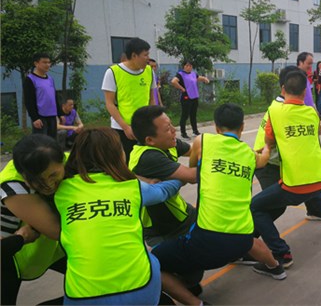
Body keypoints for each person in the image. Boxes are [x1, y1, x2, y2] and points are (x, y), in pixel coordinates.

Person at [54, 127, 202, 305]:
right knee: (153, 259)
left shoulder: (61, 189)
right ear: (117, 154)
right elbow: (163, 191)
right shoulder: (132, 187)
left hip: (82, 297)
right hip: (143, 287)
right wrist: (179, 177)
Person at [152, 103, 287, 287]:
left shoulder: (203, 141)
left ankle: (190, 293)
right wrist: (267, 145)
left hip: (206, 241)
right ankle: (276, 268)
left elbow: (193, 169)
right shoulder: (249, 154)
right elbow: (263, 160)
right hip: (243, 239)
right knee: (252, 241)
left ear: (216, 127)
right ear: (242, 127)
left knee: (154, 259)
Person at [251, 70, 321, 268]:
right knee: (310, 192)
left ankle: (281, 253)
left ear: (283, 89)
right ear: (306, 92)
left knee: (255, 207)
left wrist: (267, 148)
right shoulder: (312, 112)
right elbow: (316, 128)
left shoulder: (275, 111)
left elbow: (269, 140)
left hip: (295, 183)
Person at [0, 134, 66, 305]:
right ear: (23, 173)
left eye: (53, 175)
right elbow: (56, 230)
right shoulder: (13, 187)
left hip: (38, 247)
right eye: (36, 180)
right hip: (8, 252)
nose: (48, 185)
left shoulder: (67, 161)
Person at [129, 106, 197, 246]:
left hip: (181, 213)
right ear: (149, 140)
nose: (174, 130)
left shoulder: (167, 142)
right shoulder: (148, 157)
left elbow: (194, 150)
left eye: (171, 124)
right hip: (162, 229)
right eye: (167, 129)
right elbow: (193, 176)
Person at [102, 37, 156, 163]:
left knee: (145, 162)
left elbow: (151, 99)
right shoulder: (113, 72)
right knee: (125, 163)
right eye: (145, 55)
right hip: (122, 129)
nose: (148, 58)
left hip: (144, 126)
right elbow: (110, 104)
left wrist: (153, 121)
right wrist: (125, 127)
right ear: (134, 55)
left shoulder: (149, 71)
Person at [24, 53, 62, 139]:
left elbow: (54, 97)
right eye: (44, 62)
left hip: (52, 116)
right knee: (41, 143)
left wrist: (60, 114)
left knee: (52, 142)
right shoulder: (30, 79)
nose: (47, 65)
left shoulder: (50, 79)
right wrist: (35, 118)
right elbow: (29, 101)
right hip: (40, 117)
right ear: (36, 63)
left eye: (49, 62)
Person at [171, 60, 210, 139]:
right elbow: (173, 81)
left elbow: (198, 78)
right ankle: (183, 132)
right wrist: (182, 89)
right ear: (184, 66)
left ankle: (195, 131)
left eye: (190, 66)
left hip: (194, 96)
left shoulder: (193, 74)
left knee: (193, 115)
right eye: (187, 66)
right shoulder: (180, 74)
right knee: (185, 115)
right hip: (186, 97)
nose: (189, 67)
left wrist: (205, 79)